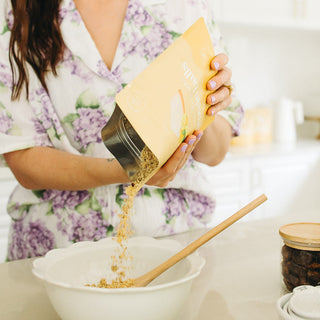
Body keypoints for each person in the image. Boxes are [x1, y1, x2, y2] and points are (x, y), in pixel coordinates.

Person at [0, 0, 243, 261]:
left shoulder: (186, 7)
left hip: (173, 247)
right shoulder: (18, 8)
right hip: (54, 251)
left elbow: (214, 153)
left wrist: (204, 104)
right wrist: (127, 170)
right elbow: (23, 156)